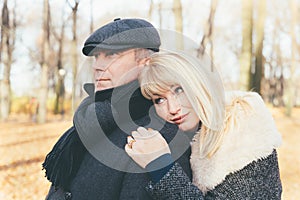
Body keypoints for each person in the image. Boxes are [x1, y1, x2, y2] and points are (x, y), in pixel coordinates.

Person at [42, 18, 193, 200]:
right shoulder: (90, 121)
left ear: (145, 63)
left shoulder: (156, 136)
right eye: (97, 56)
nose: (97, 66)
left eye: (111, 55)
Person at [125, 51, 282, 199]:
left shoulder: (242, 129)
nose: (173, 108)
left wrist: (161, 166)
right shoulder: (184, 138)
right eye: (159, 100)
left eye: (179, 90)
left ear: (197, 84)